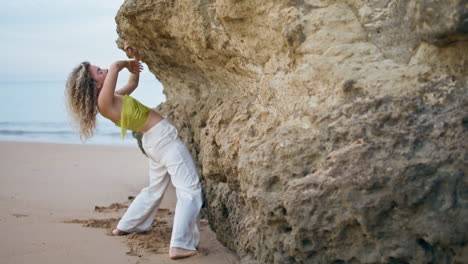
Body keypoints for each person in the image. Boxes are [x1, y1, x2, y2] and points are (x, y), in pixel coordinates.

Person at [65, 42, 202, 260]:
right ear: (94, 85)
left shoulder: (110, 100)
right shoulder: (104, 102)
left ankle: (128, 225)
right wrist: (121, 63)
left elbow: (133, 83)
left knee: (154, 189)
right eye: (98, 72)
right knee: (190, 190)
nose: (104, 70)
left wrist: (135, 59)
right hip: (163, 140)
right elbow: (116, 67)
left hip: (154, 142)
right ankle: (180, 244)